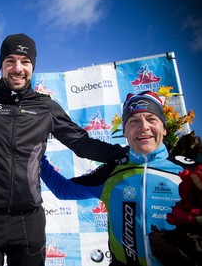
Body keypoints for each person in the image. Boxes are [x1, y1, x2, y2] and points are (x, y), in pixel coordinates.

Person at [0, 33, 127, 266]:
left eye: (25, 62)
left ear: (33, 66)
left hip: (28, 220)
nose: (17, 68)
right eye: (10, 60)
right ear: (1, 64)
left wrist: (126, 154)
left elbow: (82, 144)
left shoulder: (45, 107)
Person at [40, 91, 184, 266]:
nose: (144, 126)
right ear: (124, 131)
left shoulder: (188, 170)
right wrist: (35, 155)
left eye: (151, 119)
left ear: (164, 127)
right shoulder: (113, 171)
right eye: (134, 121)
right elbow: (63, 189)